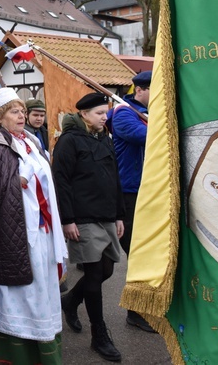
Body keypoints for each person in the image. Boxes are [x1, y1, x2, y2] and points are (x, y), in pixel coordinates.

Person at [0, 87, 67, 364]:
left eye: (22, 111)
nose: (21, 116)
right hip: (14, 238)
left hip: (42, 233)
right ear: (0, 117)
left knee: (42, 292)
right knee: (21, 297)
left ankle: (44, 350)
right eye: (15, 111)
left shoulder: (31, 143)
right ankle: (17, 354)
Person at [52, 92, 125, 362]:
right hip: (83, 218)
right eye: (99, 114)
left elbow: (113, 177)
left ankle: (70, 301)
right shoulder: (69, 142)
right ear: (83, 114)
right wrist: (67, 219)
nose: (105, 118)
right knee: (94, 275)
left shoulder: (104, 138)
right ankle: (99, 335)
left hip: (106, 215)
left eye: (105, 113)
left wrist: (118, 215)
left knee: (107, 270)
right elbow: (61, 182)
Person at [109, 70, 156, 333]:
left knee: (145, 252)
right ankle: (135, 312)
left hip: (145, 191)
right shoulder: (124, 113)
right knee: (137, 254)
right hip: (127, 193)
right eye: (153, 89)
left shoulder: (145, 113)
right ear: (139, 90)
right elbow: (149, 137)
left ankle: (72, 301)